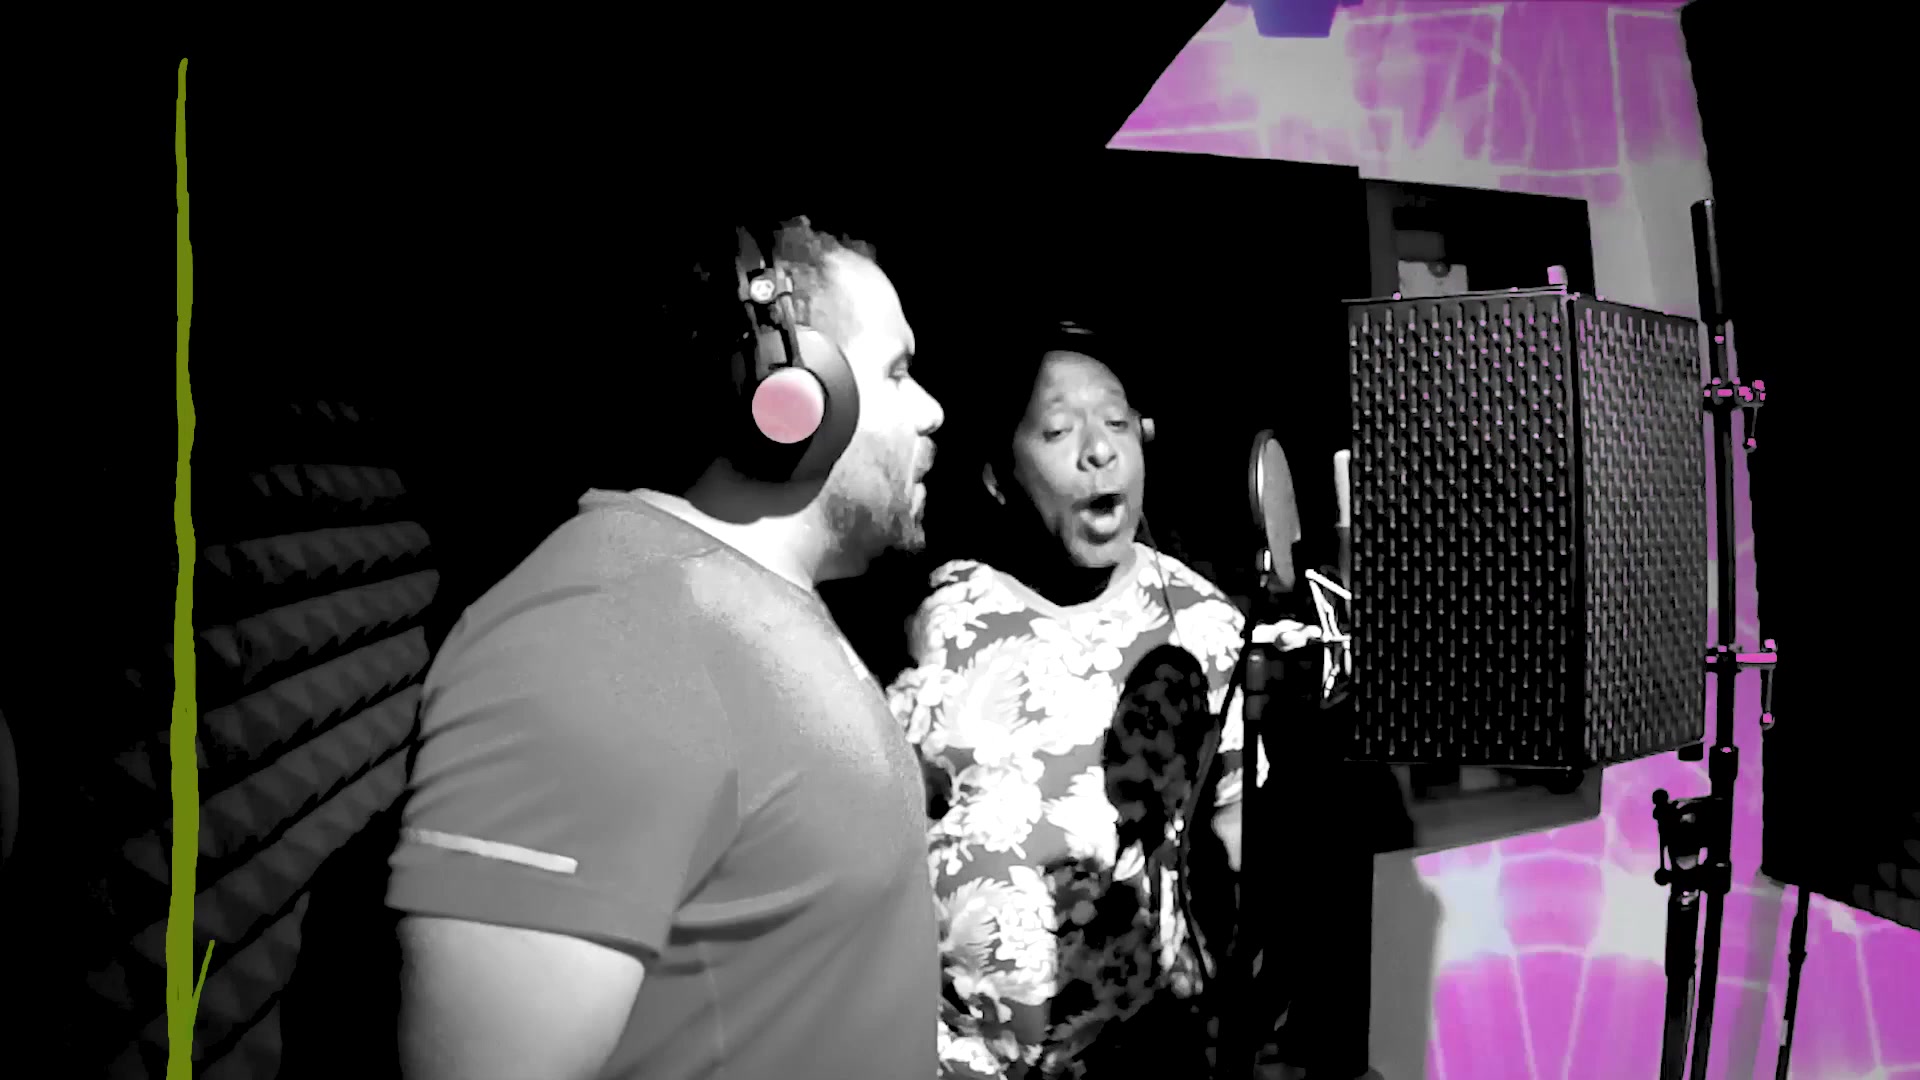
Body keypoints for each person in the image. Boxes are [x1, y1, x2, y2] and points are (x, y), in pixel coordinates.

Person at [386, 217, 947, 1080]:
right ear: (795, 392)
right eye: (899, 372)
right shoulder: (601, 637)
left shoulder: (745, 604)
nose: (933, 408)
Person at [885, 324, 1317, 1078]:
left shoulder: (1203, 625)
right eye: (1058, 431)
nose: (1098, 451)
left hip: (1145, 1057)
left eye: (1118, 423)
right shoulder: (934, 622)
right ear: (999, 477)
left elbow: (1237, 825)